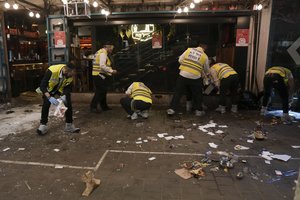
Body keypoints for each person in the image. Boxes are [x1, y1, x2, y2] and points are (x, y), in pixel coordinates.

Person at [36, 63, 80, 135]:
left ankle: (69, 125)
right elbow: (42, 85)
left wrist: (63, 97)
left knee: (67, 103)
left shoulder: (69, 76)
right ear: (66, 70)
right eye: (72, 73)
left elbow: (68, 88)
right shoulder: (52, 70)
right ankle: (43, 125)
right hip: (49, 90)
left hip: (60, 90)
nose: (73, 75)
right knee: (46, 105)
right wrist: (49, 97)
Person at [167, 43, 209, 116]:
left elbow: (180, 60)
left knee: (178, 92)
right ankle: (198, 110)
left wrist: (187, 66)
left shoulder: (189, 50)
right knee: (198, 94)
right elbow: (206, 69)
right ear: (204, 48)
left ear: (198, 46)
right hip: (195, 76)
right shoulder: (205, 56)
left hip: (183, 74)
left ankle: (172, 109)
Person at [90, 42, 117, 113]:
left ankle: (104, 106)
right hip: (99, 75)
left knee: (103, 91)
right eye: (111, 48)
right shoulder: (103, 53)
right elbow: (102, 66)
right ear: (108, 47)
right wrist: (111, 71)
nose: (112, 50)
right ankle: (93, 107)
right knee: (100, 91)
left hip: (98, 74)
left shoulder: (100, 52)